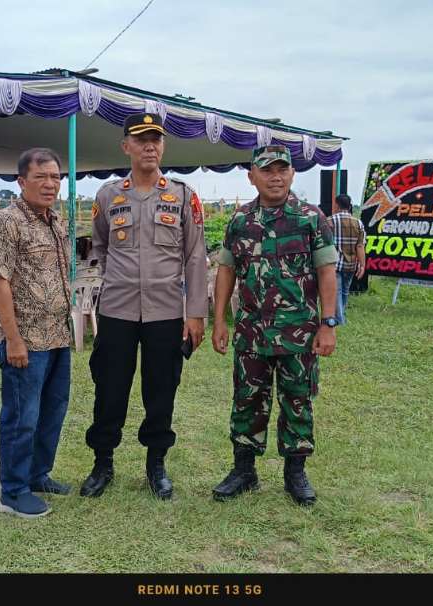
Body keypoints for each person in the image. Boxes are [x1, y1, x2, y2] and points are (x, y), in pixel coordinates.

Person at [80, 112, 208, 500]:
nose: (150, 146)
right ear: (126, 147)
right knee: (109, 388)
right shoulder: (108, 196)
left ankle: (156, 464)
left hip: (166, 312)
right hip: (117, 310)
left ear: (163, 146)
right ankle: (103, 462)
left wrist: (196, 313)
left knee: (161, 389)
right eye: (141, 139)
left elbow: (195, 256)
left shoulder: (184, 196)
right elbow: (99, 246)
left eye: (156, 139)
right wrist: (119, 276)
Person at [210, 144, 339, 507]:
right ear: (252, 176)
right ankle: (244, 470)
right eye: (267, 170)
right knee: (247, 400)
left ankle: (295, 473)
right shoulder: (240, 221)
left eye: (282, 169)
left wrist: (328, 324)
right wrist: (219, 321)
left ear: (293, 174)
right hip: (251, 333)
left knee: (297, 401)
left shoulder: (311, 219)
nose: (276, 176)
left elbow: (327, 273)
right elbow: (226, 271)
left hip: (299, 333)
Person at [0, 147, 73, 519]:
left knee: (52, 412)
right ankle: (13, 491)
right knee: (21, 417)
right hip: (26, 342)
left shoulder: (56, 220)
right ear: (22, 182)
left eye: (56, 177)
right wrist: (14, 339)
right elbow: (0, 281)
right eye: (42, 177)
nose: (51, 184)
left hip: (58, 336)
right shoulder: (8, 222)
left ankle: (38, 474)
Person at [330, 194, 366, 324]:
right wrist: (362, 265)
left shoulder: (330, 221)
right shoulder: (358, 223)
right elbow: (360, 246)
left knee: (337, 292)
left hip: (335, 264)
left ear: (337, 205)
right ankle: (341, 315)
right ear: (350, 206)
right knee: (345, 291)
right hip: (351, 265)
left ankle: (340, 320)